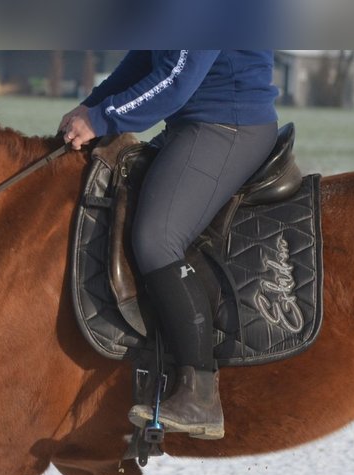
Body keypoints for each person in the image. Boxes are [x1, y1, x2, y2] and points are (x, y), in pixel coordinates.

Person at [59, 51, 279, 440]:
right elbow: (146, 58)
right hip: (192, 124)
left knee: (157, 239)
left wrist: (100, 118)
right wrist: (92, 105)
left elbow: (175, 80)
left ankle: (200, 396)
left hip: (226, 125)